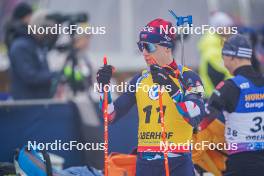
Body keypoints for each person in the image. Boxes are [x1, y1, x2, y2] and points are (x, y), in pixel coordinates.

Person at [96, 18, 206, 176]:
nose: (144, 52)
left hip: (177, 162)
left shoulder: (188, 77)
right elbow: (110, 115)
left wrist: (172, 88)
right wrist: (103, 88)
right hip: (146, 164)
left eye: (149, 46)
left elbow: (195, 115)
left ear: (167, 48)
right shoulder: (139, 79)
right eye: (141, 46)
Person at [205, 34, 264, 176]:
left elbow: (202, 120)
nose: (224, 63)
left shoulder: (230, 86)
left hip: (241, 161)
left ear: (230, 57)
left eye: (223, 58)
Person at [9, 10, 58, 99]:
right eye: (48, 31)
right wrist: (55, 75)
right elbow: (30, 76)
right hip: (26, 105)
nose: (48, 36)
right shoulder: (21, 47)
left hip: (40, 103)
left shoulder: (37, 46)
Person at [198, 12, 233, 98]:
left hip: (216, 95)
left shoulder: (218, 45)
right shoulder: (213, 49)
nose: (230, 30)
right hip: (215, 98)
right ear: (219, 28)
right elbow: (224, 74)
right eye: (227, 27)